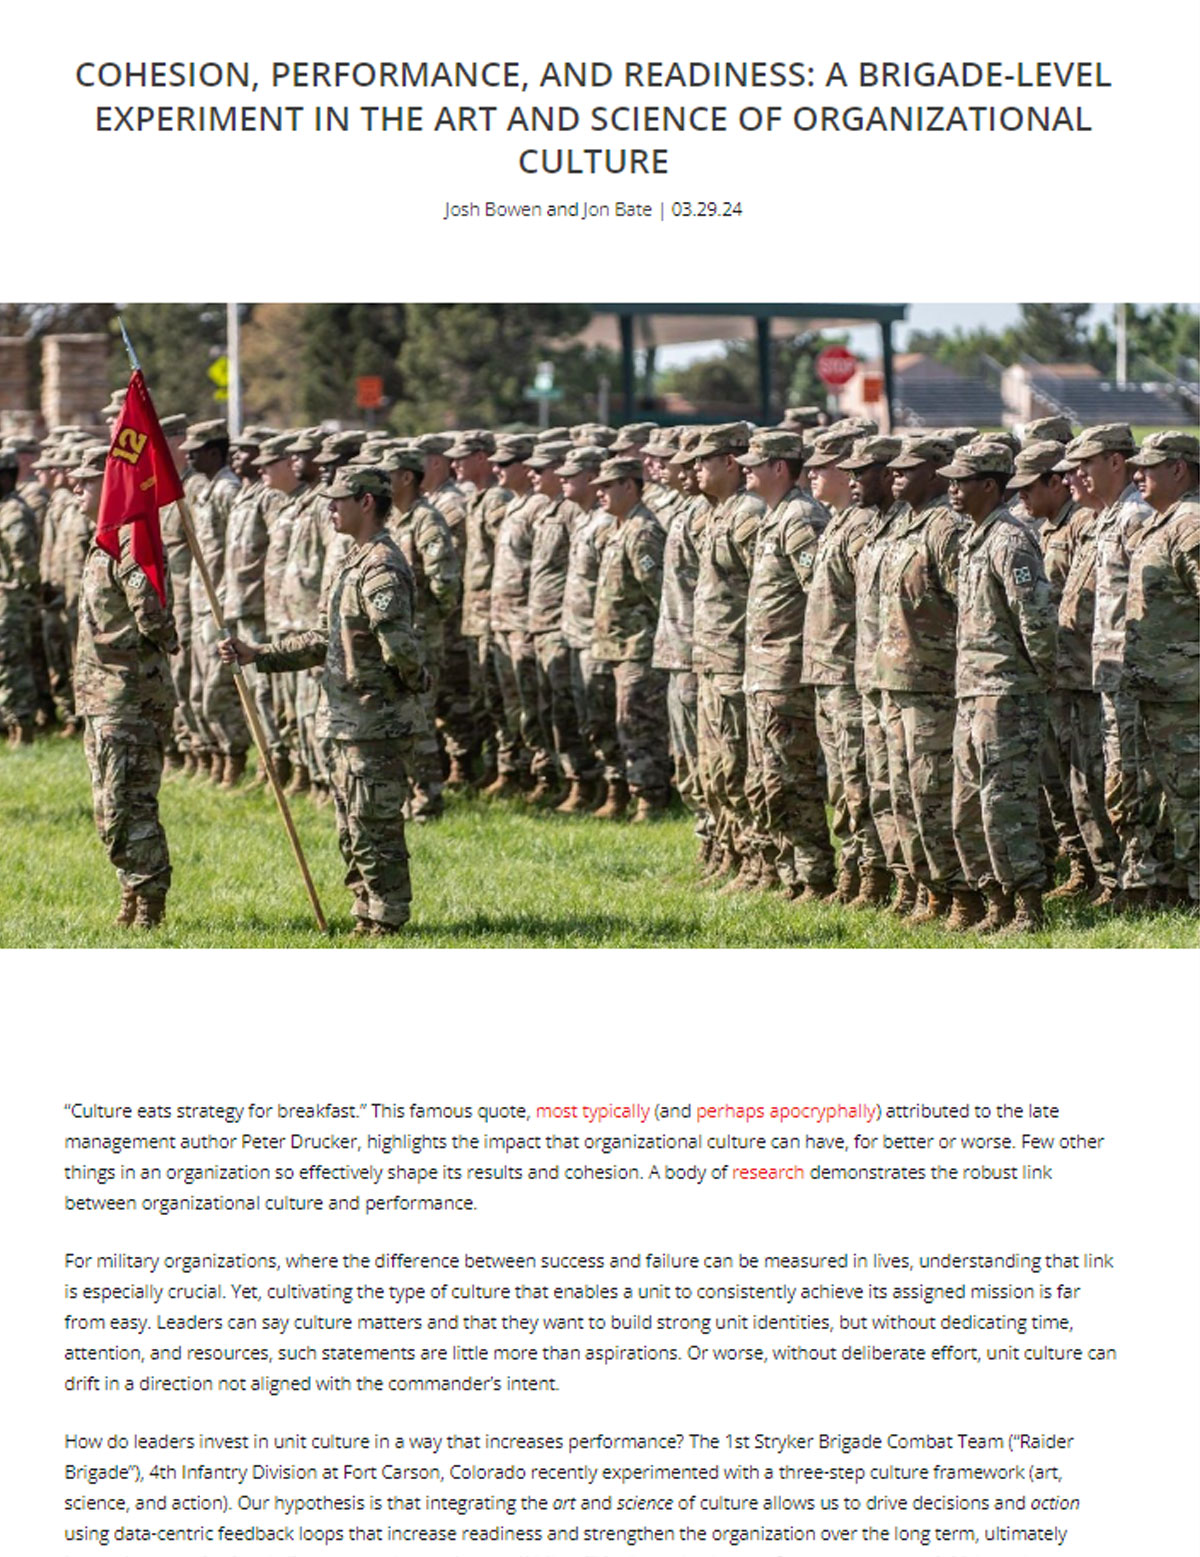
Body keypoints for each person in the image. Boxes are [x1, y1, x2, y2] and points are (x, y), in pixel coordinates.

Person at [221, 466, 427, 936]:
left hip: (374, 721)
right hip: (346, 720)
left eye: (339, 500)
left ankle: (387, 917)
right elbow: (324, 640)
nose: (329, 507)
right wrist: (259, 655)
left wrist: (402, 689)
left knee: (374, 823)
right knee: (351, 826)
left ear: (367, 502)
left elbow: (398, 645)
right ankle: (366, 909)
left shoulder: (381, 566)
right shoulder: (352, 562)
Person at [943, 441, 1057, 934]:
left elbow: (1036, 620)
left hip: (1007, 695)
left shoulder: (1010, 540)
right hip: (973, 692)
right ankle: (994, 902)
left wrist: (1039, 678)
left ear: (990, 485)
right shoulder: (975, 539)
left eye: (961, 480)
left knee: (1004, 805)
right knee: (967, 806)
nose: (951, 488)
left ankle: (1028, 905)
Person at [70, 445, 179, 929]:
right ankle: (131, 892)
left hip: (130, 697)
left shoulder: (128, 543)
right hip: (101, 696)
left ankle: (148, 898)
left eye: (85, 480)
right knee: (107, 805)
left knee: (128, 802)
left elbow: (152, 613)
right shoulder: (102, 543)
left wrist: (161, 644)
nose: (76, 487)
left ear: (110, 486)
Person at [740, 430, 834, 899]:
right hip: (764, 671)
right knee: (770, 778)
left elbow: (820, 592)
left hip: (787, 673)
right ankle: (790, 872)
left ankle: (814, 875)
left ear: (780, 468)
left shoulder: (800, 518)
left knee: (793, 777)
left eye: (755, 463)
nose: (746, 470)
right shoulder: (776, 516)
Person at [1124, 432, 1200, 908]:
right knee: (1172, 797)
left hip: (1186, 693)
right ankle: (1178, 887)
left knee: (1193, 797)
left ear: (1180, 469)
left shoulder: (1190, 524)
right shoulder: (1166, 522)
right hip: (1163, 691)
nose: (1137, 475)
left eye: (1148, 466)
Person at [589, 456, 670, 819]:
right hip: (613, 646)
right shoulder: (618, 528)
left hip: (638, 646)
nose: (601, 493)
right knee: (615, 722)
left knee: (639, 724)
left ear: (629, 486)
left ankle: (650, 798)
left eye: (608, 486)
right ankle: (620, 791)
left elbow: (660, 594)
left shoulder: (643, 531)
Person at [0, 447, 40, 745]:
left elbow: (24, 565)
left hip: (12, 602)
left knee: (14, 662)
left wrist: (16, 590)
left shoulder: (14, 512)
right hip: (6, 600)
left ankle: (22, 727)